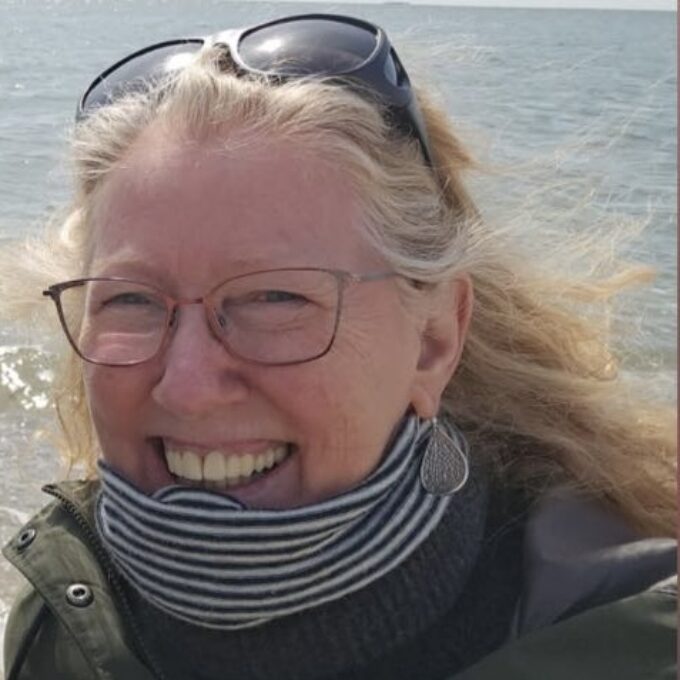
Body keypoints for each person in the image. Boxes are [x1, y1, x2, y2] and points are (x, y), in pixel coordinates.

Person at [1, 13, 676, 680]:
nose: (188, 386)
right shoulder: (62, 618)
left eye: (275, 298)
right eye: (131, 300)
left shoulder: (631, 645)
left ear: (433, 341)